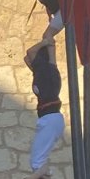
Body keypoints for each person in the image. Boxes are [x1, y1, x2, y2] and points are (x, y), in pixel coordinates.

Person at [25, 41, 64, 170]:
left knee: (37, 161)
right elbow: (27, 58)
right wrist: (49, 42)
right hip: (51, 118)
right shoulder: (50, 70)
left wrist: (45, 41)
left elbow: (29, 53)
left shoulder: (43, 71)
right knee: (38, 160)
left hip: (50, 118)